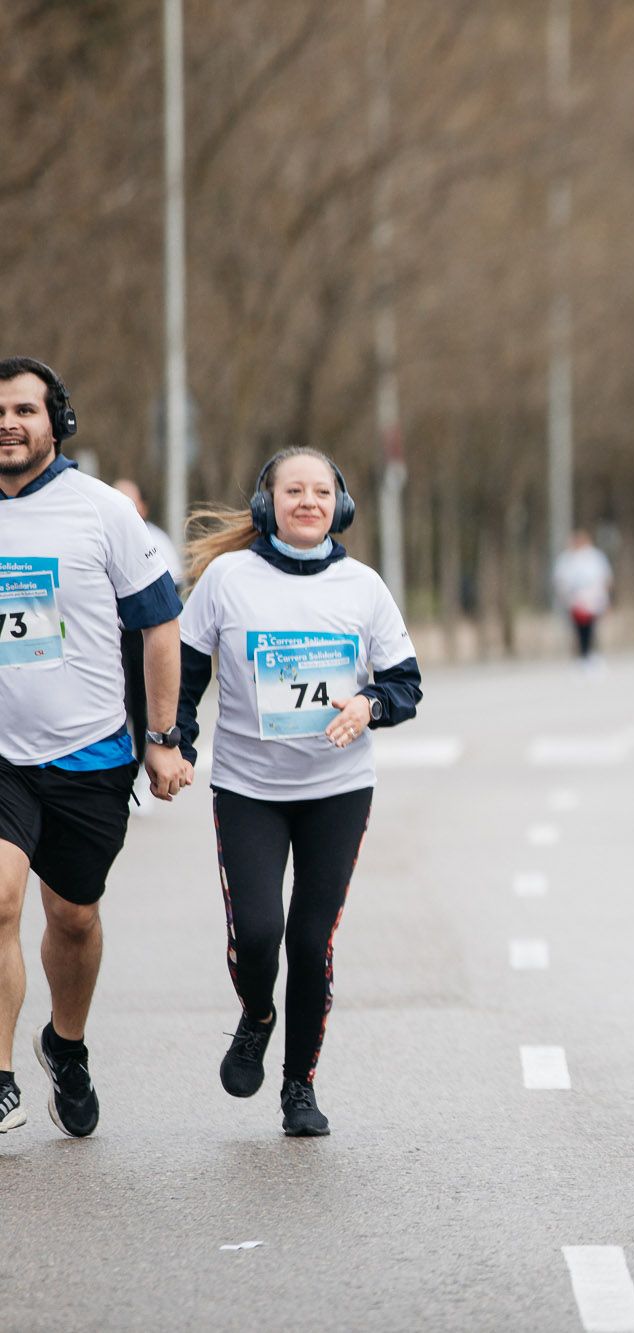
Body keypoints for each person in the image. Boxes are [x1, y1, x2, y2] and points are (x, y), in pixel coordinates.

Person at [173, 448, 421, 1136]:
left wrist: (369, 704)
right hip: (248, 787)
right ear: (267, 503)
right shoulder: (227, 579)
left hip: (337, 788)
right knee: (259, 933)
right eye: (293, 491)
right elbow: (185, 670)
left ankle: (298, 1086)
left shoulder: (364, 587)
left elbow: (405, 684)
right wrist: (174, 741)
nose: (308, 502)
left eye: (321, 492)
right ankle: (257, 1015)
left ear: (340, 505)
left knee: (310, 942)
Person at [0, 357, 186, 1139]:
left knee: (72, 916)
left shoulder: (102, 511)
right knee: (0, 900)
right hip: (2, 756)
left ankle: (65, 1045)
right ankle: (0, 1077)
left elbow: (160, 626)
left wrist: (164, 738)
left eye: (23, 409)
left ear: (57, 420)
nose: (8, 423)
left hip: (87, 752)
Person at [113, 479, 184, 814]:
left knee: (142, 704)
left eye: (130, 501)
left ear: (142, 506)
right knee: (119, 705)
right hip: (110, 636)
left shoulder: (156, 540)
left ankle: (143, 767)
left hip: (144, 634)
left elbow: (173, 591)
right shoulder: (98, 534)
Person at [552, 529, 612, 666]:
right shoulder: (567, 559)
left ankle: (591, 654)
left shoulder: (595, 557)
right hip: (574, 602)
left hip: (593, 601)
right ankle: (581, 655)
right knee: (577, 630)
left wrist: (606, 599)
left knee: (591, 629)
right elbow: (560, 580)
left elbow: (605, 578)